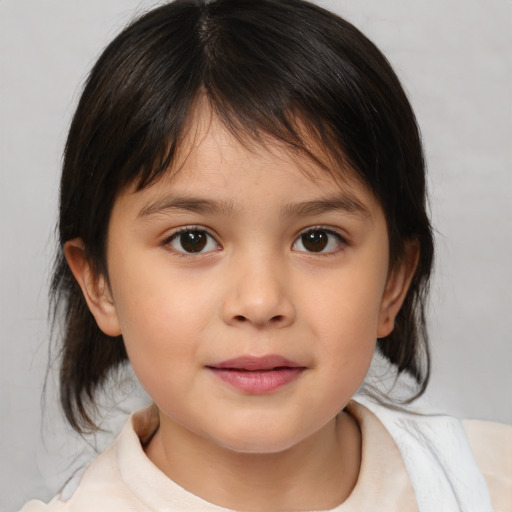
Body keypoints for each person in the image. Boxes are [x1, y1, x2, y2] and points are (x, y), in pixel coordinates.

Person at [18, 0, 511, 510]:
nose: (259, 302)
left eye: (317, 239)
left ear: (394, 283)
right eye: (192, 240)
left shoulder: (492, 483)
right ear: (99, 282)